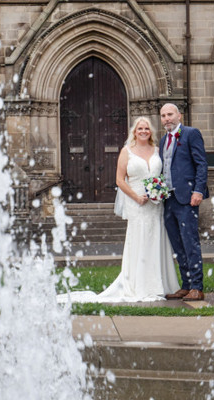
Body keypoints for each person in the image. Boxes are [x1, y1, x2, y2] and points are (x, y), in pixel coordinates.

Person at [59, 117, 178, 303]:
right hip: (137, 202)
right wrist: (137, 197)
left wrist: (159, 192)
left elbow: (162, 175)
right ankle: (138, 285)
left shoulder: (157, 151)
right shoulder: (126, 152)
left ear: (151, 131)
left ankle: (159, 284)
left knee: (156, 240)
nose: (144, 131)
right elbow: (120, 180)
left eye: (146, 128)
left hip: (156, 205)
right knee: (139, 241)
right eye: (140, 128)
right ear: (134, 131)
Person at [159, 103, 209, 301]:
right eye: (163, 116)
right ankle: (186, 285)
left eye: (170, 114)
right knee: (177, 245)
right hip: (168, 199)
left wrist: (198, 190)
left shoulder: (191, 133)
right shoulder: (163, 140)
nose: (167, 119)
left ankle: (197, 286)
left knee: (190, 243)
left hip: (187, 198)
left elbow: (201, 163)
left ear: (179, 115)